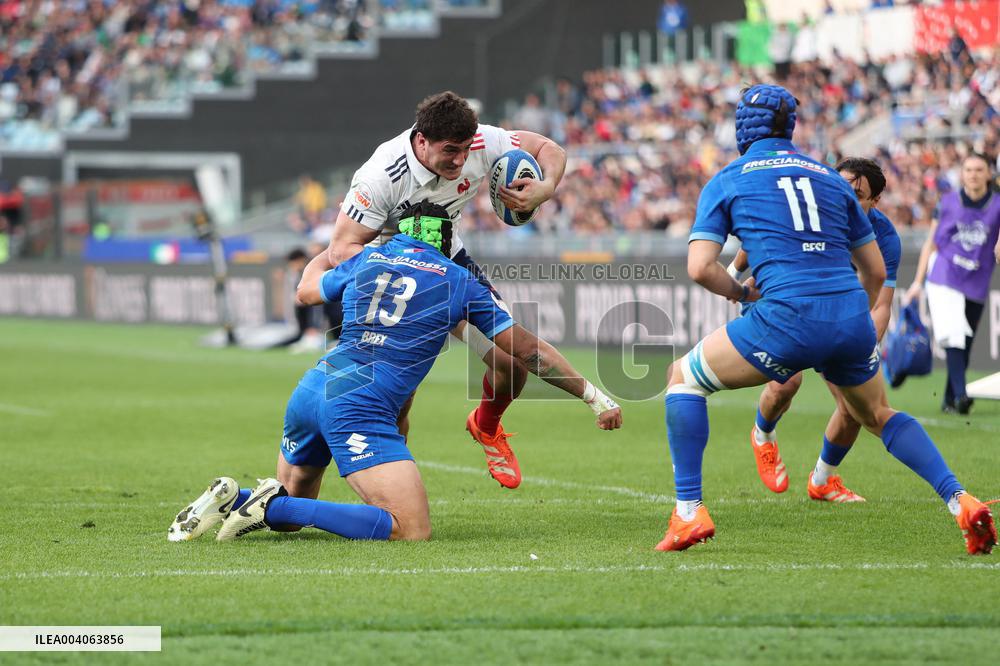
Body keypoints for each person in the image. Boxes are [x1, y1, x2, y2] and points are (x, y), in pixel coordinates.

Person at [654, 84, 996, 556]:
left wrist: (740, 292)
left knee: (683, 380)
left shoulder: (730, 177)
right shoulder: (831, 179)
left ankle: (688, 513)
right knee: (877, 414)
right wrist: (851, 316)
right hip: (850, 315)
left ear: (743, 127)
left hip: (785, 316)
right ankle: (960, 499)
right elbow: (875, 273)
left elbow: (699, 267)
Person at [168, 202, 621, 543]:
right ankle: (262, 504)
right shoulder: (458, 280)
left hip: (314, 387)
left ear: (400, 232)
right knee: (410, 529)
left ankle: (240, 497)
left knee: (293, 509)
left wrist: (325, 255)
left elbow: (306, 291)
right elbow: (526, 352)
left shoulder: (368, 259)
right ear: (447, 240)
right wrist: (593, 396)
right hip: (358, 405)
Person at [296, 91, 568, 490]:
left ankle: (486, 425)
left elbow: (547, 147)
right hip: (389, 269)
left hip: (448, 261)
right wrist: (398, 265)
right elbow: (341, 249)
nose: (460, 162)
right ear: (421, 141)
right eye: (450, 152)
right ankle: (387, 482)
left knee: (512, 363)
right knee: (397, 398)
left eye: (464, 151)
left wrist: (545, 187)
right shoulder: (381, 175)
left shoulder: (481, 141)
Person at [732, 157, 900, 502]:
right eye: (840, 187)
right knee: (786, 383)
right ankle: (763, 436)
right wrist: (733, 280)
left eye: (857, 193)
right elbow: (753, 243)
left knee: (855, 407)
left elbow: (882, 303)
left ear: (875, 201)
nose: (845, 197)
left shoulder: (884, 238)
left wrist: (866, 346)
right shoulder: (809, 206)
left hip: (836, 315)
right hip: (776, 297)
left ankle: (822, 480)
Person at [905, 153, 1000, 415]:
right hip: (944, 274)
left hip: (977, 281)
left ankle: (948, 399)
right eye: (968, 169)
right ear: (962, 174)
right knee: (956, 335)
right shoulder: (946, 202)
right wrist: (917, 281)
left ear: (988, 174)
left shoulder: (998, 204)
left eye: (979, 169)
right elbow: (931, 243)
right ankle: (961, 396)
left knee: (965, 343)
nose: (973, 174)